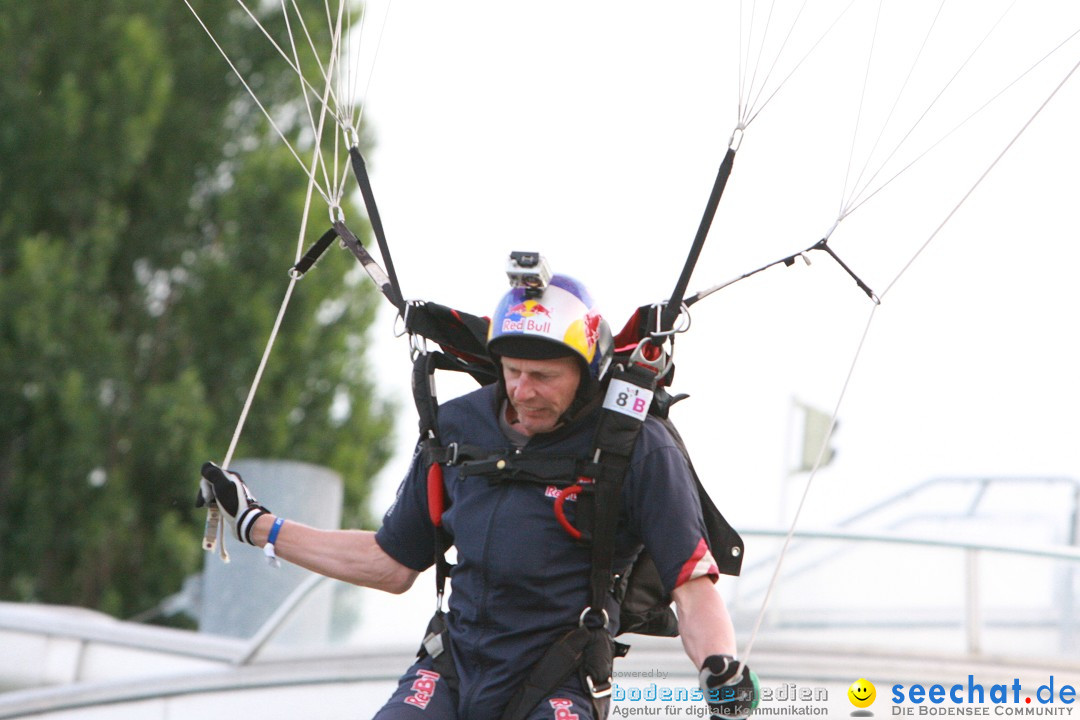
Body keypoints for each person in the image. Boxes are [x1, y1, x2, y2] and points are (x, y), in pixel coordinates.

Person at [199, 266, 757, 719]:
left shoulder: (637, 445)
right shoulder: (460, 427)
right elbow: (391, 563)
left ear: (587, 372)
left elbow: (691, 585)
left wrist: (719, 669)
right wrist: (256, 524)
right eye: (511, 371)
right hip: (454, 667)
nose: (522, 391)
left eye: (543, 376)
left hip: (558, 680)